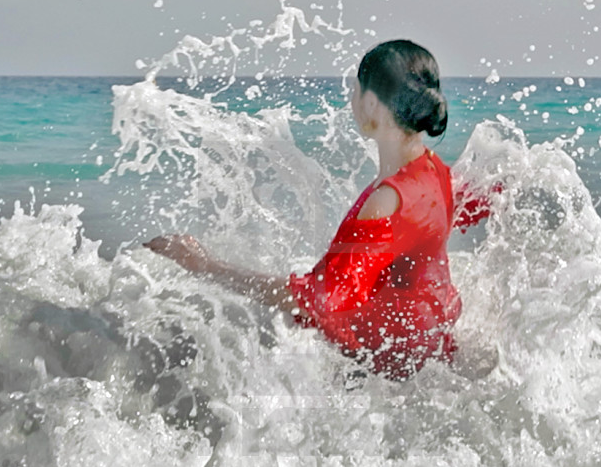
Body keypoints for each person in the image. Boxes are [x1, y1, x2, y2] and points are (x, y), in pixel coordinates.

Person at [145, 39, 487, 379]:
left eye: (356, 91)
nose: (352, 101)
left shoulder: (387, 200)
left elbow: (321, 298)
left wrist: (205, 265)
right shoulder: (434, 170)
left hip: (386, 376)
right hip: (430, 352)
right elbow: (436, 222)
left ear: (370, 104)